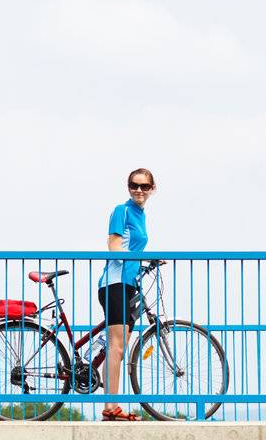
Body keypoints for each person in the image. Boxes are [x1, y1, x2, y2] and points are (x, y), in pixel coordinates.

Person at [97, 167, 155, 420]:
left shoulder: (140, 214)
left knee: (118, 347)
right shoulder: (121, 210)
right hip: (115, 283)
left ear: (152, 189)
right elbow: (114, 245)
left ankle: (112, 406)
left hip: (129, 283)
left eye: (144, 186)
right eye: (134, 185)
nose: (139, 190)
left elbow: (133, 246)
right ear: (128, 187)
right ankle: (111, 408)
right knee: (117, 347)